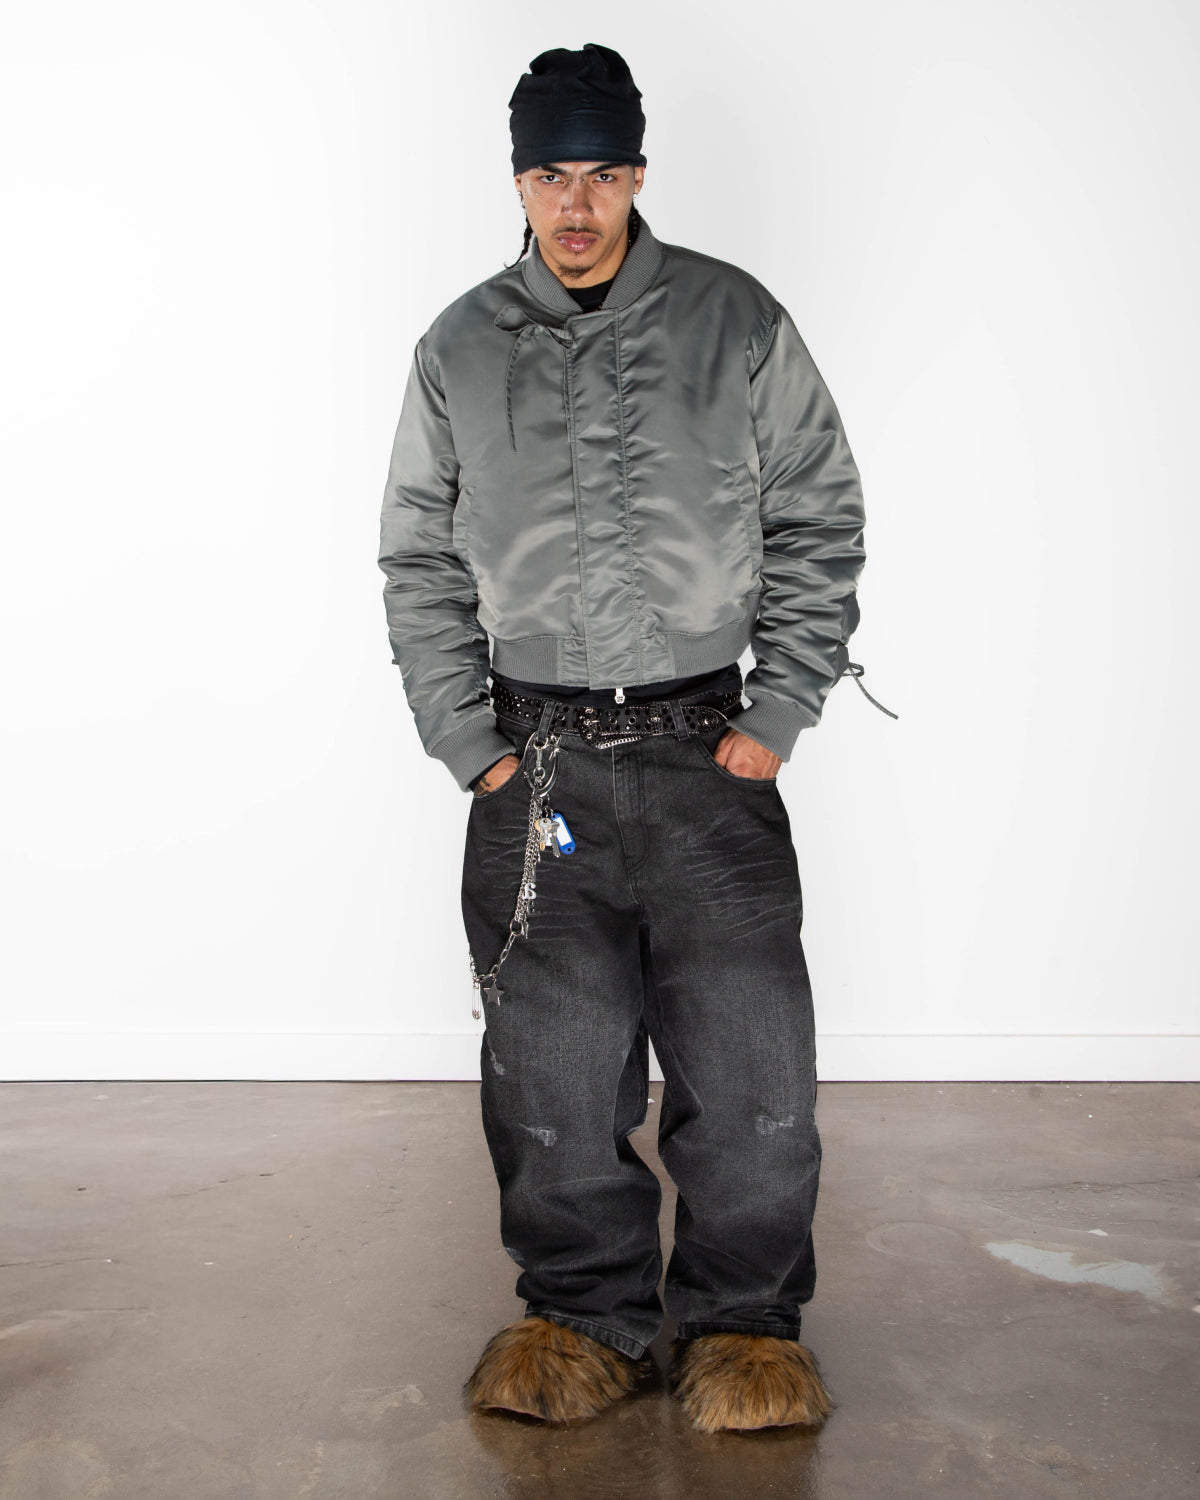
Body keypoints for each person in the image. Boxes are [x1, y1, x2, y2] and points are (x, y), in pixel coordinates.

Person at [378, 41, 887, 1434]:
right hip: (532, 764)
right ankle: (585, 1315)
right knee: (550, 1077)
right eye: (552, 174)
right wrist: (469, 748)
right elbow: (416, 556)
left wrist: (775, 719)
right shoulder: (460, 347)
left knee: (754, 1076)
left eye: (603, 173)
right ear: (521, 182)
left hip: (709, 752)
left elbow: (818, 518)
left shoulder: (737, 322)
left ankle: (743, 1327)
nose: (579, 204)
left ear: (641, 174)